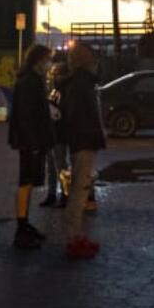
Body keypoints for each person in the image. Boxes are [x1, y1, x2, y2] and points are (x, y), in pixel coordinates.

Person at [60, 43, 105, 260]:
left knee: (81, 189)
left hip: (82, 141)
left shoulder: (78, 83)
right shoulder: (80, 85)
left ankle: (76, 235)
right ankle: (73, 238)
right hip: (83, 142)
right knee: (79, 190)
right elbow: (80, 117)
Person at [9, 44, 56, 249]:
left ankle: (24, 223)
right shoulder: (30, 82)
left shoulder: (31, 80)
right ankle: (21, 227)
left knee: (28, 182)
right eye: (48, 60)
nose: (50, 64)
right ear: (39, 60)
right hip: (30, 142)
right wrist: (35, 143)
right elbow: (27, 116)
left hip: (31, 140)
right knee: (26, 182)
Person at [39, 57, 70, 208]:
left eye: (55, 74)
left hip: (59, 133)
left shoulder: (64, 91)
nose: (52, 77)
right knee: (52, 168)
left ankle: (64, 195)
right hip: (52, 133)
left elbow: (62, 113)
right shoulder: (55, 91)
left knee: (60, 167)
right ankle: (53, 194)